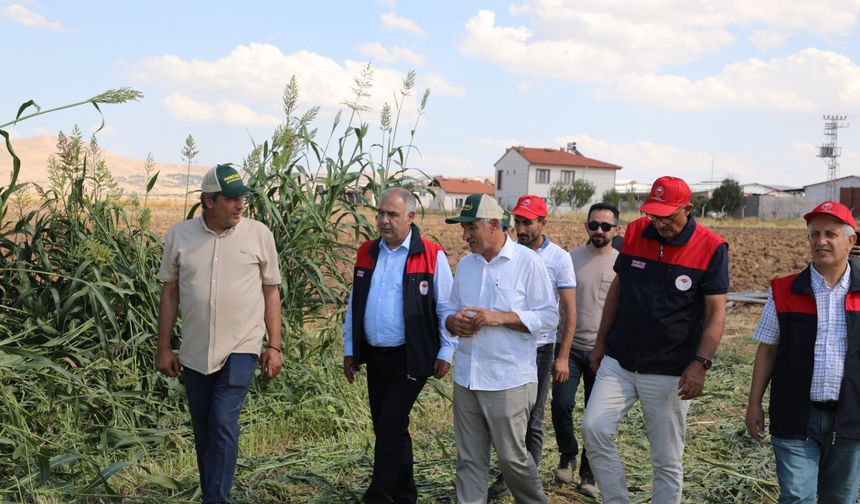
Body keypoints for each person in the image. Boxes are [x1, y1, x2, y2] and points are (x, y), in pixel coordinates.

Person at [582, 176, 729, 503]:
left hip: (670, 369)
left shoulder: (711, 247)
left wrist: (700, 364)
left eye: (667, 216)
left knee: (666, 458)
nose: (659, 223)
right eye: (654, 215)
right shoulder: (636, 232)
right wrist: (601, 342)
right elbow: (618, 288)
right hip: (620, 359)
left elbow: (716, 314)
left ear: (687, 209)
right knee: (594, 428)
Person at [156, 164, 282, 504]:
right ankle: (212, 493)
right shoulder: (180, 236)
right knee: (204, 429)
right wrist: (164, 347)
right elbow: (170, 292)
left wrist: (274, 346)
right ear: (208, 202)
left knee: (223, 417)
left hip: (242, 345)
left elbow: (271, 291)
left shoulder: (258, 235)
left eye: (242, 197)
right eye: (232, 199)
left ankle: (215, 499)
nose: (241, 205)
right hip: (195, 350)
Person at [342, 187, 455, 504]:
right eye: (380, 213)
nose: (384, 220)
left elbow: (446, 308)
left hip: (412, 355)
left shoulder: (431, 255)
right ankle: (405, 494)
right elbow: (354, 304)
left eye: (392, 214)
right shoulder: (367, 252)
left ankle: (378, 495)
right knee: (388, 425)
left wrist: (446, 351)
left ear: (410, 217)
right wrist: (350, 349)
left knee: (390, 420)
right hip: (376, 354)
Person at [444, 193, 558, 504]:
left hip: (508, 379)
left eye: (471, 227)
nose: (465, 235)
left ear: (494, 224)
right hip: (467, 377)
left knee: (512, 459)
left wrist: (500, 318)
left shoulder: (527, 263)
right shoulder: (466, 265)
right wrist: (452, 322)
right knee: (469, 459)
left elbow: (549, 318)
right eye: (463, 228)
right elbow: (450, 309)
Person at [745, 200, 860, 504]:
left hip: (850, 417)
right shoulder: (784, 291)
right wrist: (754, 404)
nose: (821, 241)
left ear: (850, 242)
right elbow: (768, 349)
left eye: (830, 234)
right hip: (795, 415)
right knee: (796, 496)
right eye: (814, 234)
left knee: (840, 498)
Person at [488, 195, 577, 499]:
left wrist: (563, 356)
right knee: (508, 414)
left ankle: (527, 481)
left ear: (543, 222)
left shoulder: (559, 258)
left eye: (528, 223)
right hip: (509, 344)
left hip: (540, 348)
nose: (522, 229)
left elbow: (568, 312)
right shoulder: (508, 253)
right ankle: (511, 470)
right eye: (518, 222)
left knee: (533, 417)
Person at [551, 202, 621, 498]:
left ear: (616, 230)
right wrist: (559, 351)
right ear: (586, 227)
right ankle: (568, 454)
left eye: (605, 226)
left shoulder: (622, 263)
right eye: (594, 225)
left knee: (596, 417)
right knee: (561, 404)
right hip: (569, 348)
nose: (599, 230)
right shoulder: (571, 259)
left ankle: (589, 474)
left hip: (603, 354)